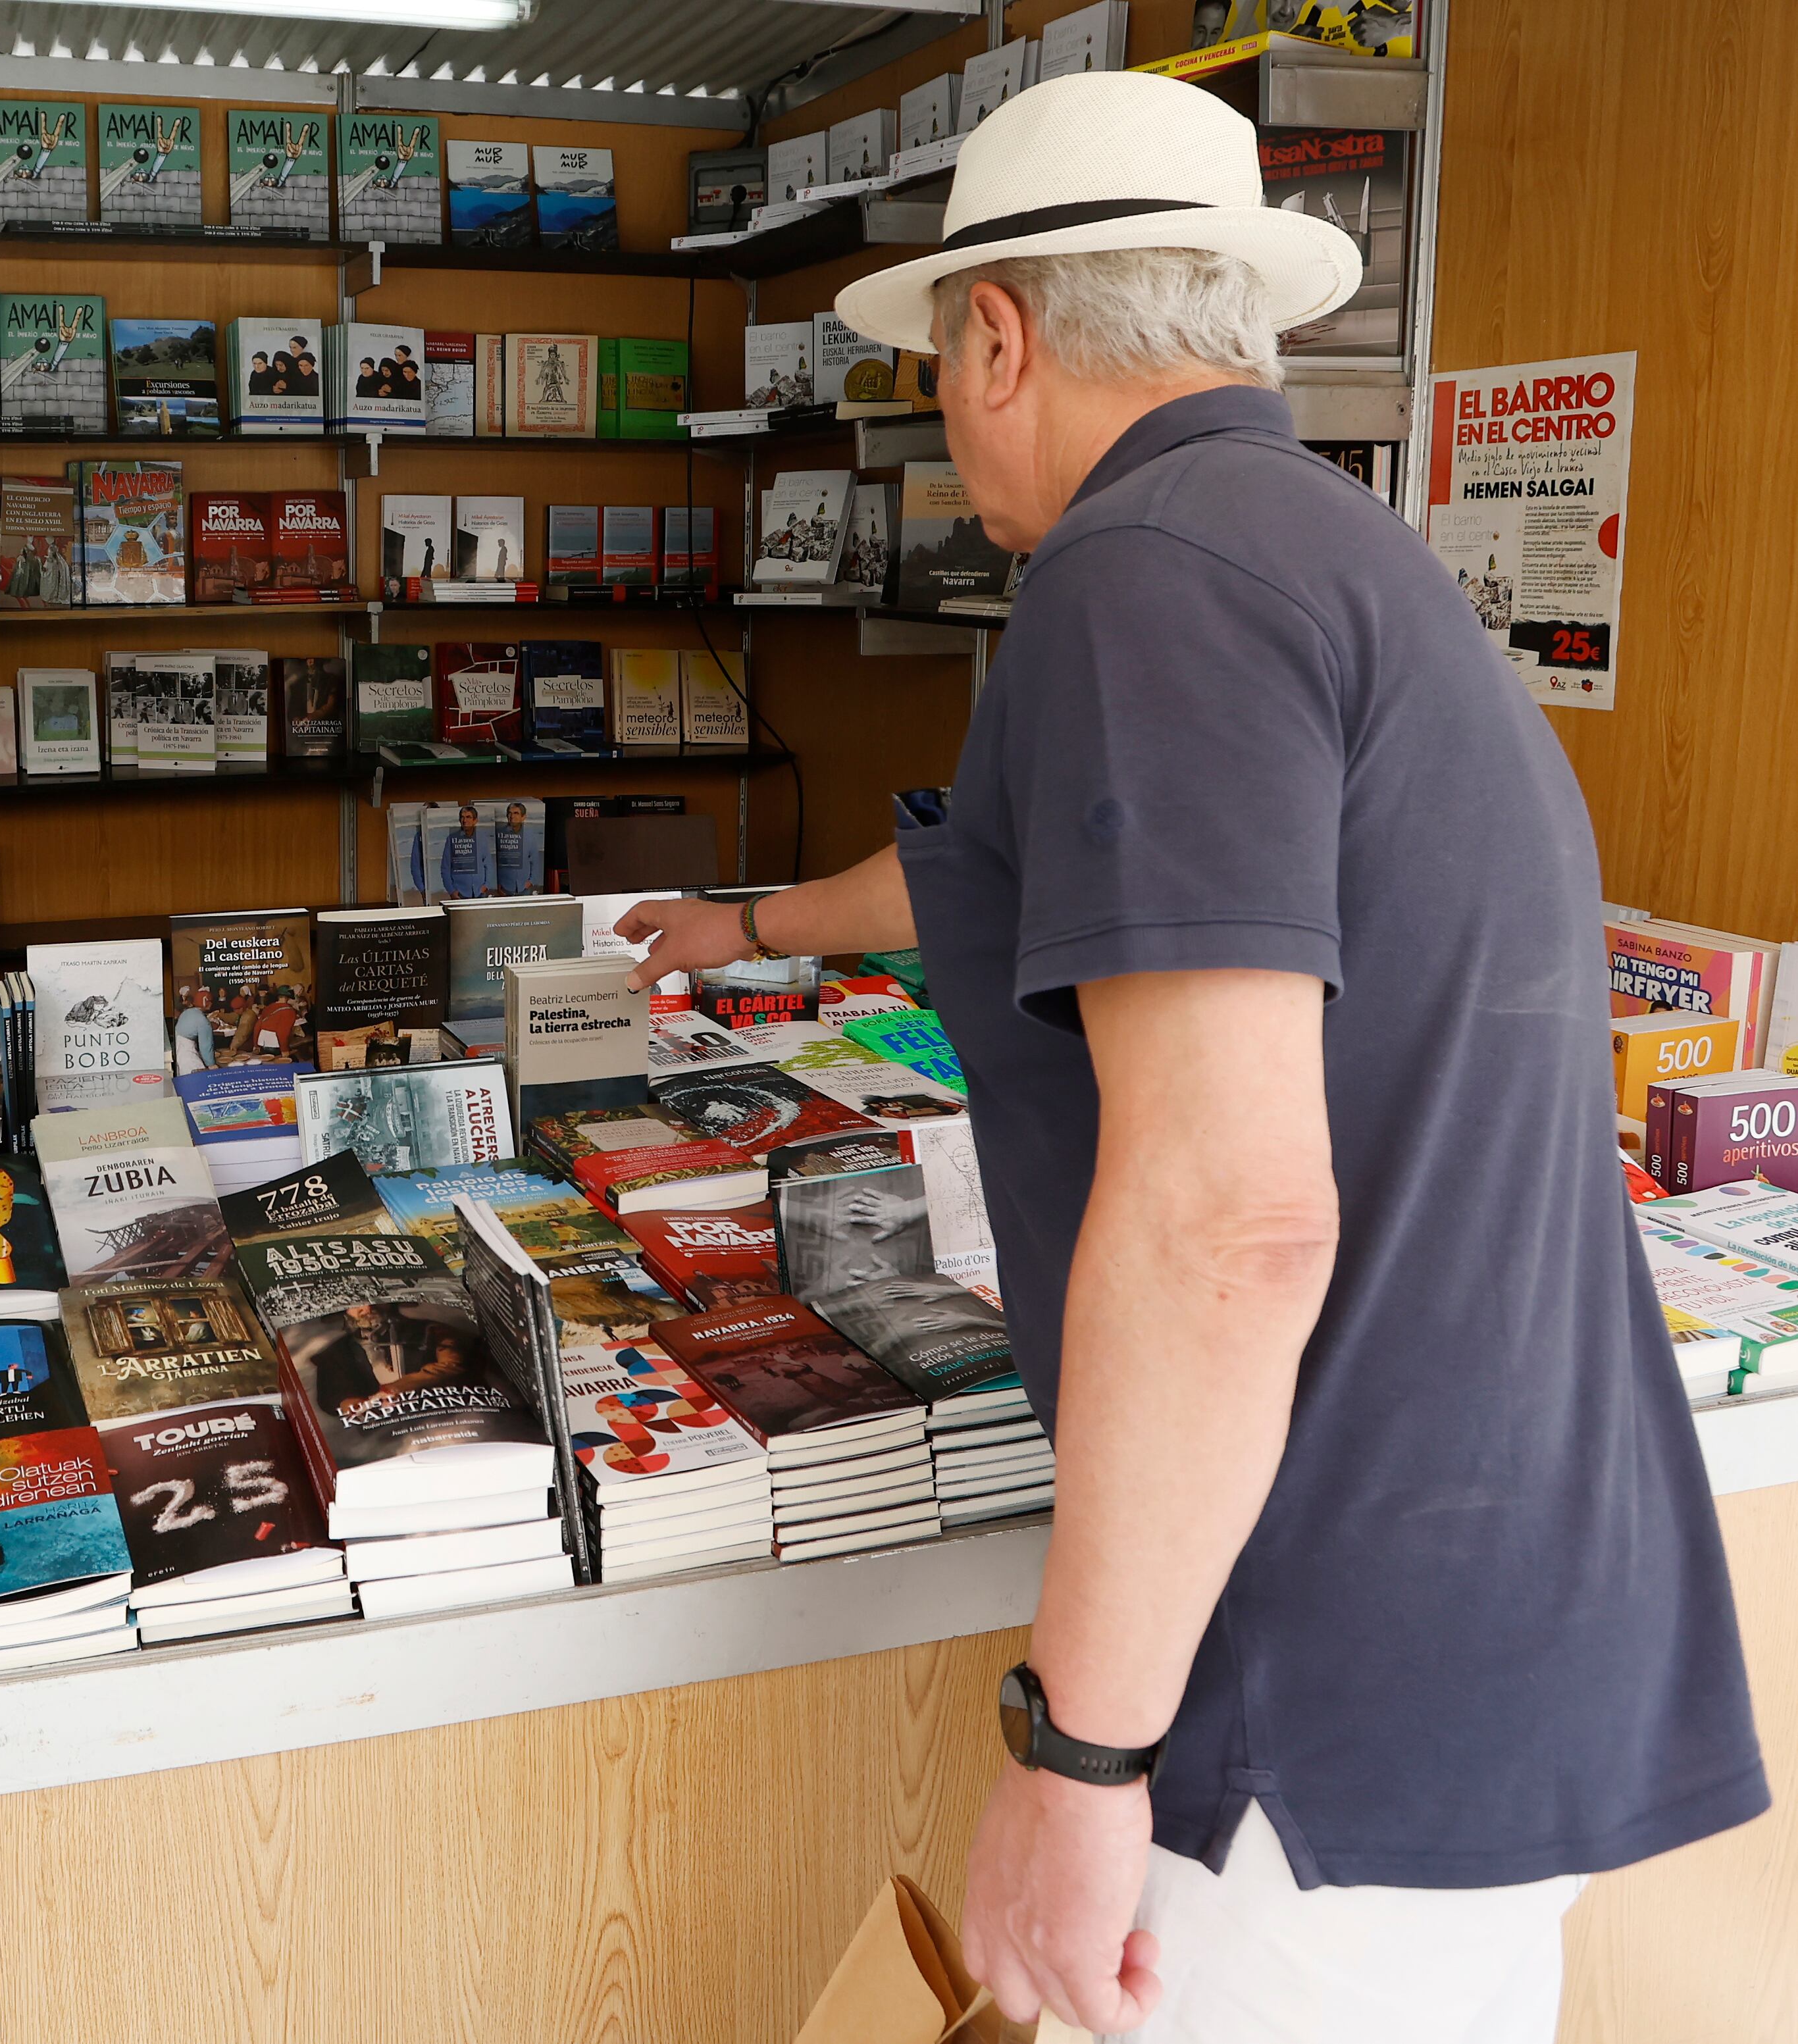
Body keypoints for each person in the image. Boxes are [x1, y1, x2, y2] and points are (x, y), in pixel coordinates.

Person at [613, 72, 1762, 2043]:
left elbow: (1228, 1217)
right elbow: (1014, 872)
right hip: (1477, 1621)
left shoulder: (1135, 585)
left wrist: (1074, 1753)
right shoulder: (1306, 550)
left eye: (938, 365)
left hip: (1314, 1698)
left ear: (997, 335)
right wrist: (749, 931)